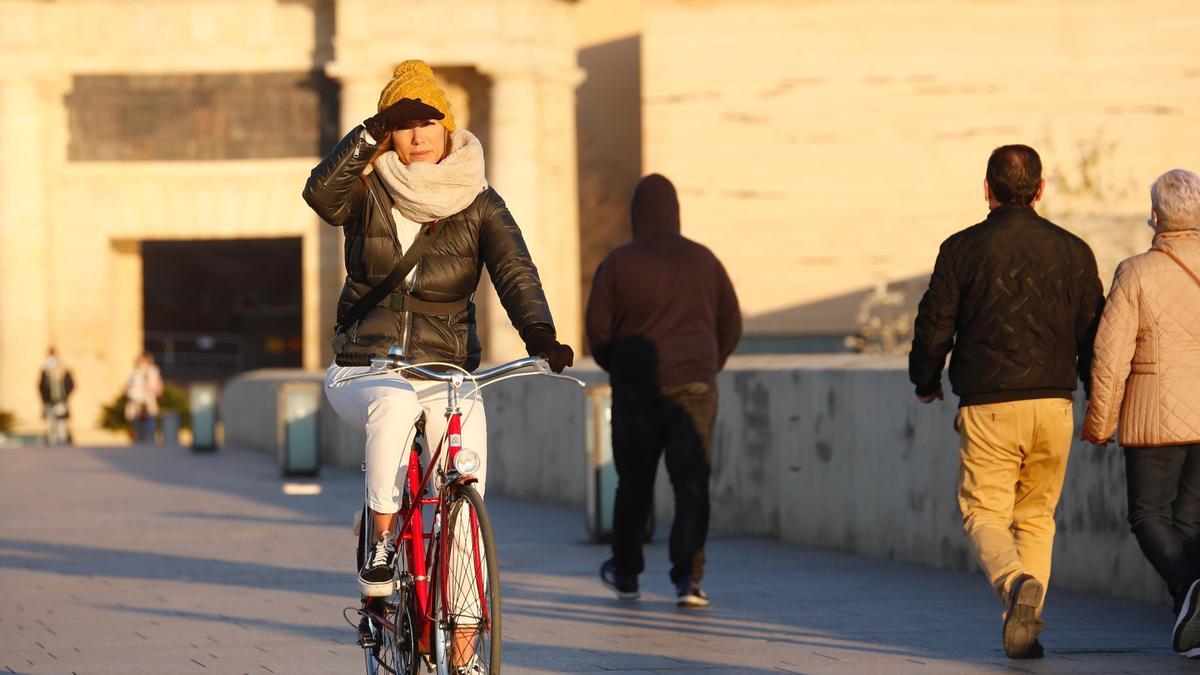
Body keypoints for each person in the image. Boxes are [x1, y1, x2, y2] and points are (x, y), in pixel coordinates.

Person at [303, 59, 573, 672]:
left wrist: (541, 334)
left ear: (449, 128)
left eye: (429, 120)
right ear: (390, 133)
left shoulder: (478, 200)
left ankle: (467, 654)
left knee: (467, 493)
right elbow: (320, 194)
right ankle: (378, 540)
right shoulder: (367, 190)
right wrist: (369, 133)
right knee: (395, 404)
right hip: (364, 367)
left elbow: (514, 271)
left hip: (446, 372)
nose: (419, 133)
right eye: (405, 123)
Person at [909, 145, 1104, 658]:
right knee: (1037, 516)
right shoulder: (1074, 251)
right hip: (1055, 405)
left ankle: (1016, 583)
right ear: (1040, 190)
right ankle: (1026, 631)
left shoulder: (961, 249)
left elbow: (934, 327)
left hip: (990, 406)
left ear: (987, 190)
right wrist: (1096, 398)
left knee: (985, 513)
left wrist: (926, 381)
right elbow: (1094, 338)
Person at [586, 173, 742, 608]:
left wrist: (619, 366)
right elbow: (731, 322)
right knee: (691, 485)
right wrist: (707, 365)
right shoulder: (704, 260)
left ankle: (628, 574)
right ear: (676, 211)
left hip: (636, 391)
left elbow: (597, 331)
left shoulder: (617, 263)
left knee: (633, 485)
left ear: (636, 214)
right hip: (695, 387)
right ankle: (688, 580)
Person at [1081, 168, 1200, 657]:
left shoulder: (1134, 272)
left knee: (1147, 514)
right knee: (1190, 521)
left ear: (1155, 217)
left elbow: (1110, 356)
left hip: (1155, 415)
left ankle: (1191, 594)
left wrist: (1099, 423)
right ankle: (1190, 622)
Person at [38, 347, 75, 445]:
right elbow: (41, 386)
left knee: (61, 421)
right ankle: (52, 440)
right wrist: (45, 398)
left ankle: (62, 440)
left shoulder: (64, 370)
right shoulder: (45, 371)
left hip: (61, 400)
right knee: (51, 420)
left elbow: (70, 384)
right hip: (49, 401)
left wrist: (65, 396)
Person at [124, 352, 163, 443]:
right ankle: (137, 439)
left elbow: (157, 386)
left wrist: (148, 388)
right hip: (135, 399)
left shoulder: (152, 370)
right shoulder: (134, 371)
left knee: (149, 421)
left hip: (148, 399)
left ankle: (149, 440)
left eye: (141, 359)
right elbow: (129, 385)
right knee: (136, 421)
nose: (139, 361)